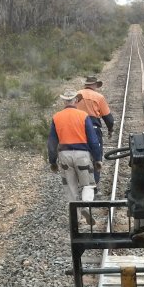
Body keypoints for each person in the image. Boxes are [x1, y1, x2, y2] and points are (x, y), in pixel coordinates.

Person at [47, 90, 102, 223]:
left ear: (64, 101)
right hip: (82, 155)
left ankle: (75, 218)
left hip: (64, 156)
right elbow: (93, 140)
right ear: (75, 100)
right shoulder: (83, 116)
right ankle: (86, 207)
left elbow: (52, 142)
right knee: (88, 184)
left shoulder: (56, 117)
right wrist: (97, 158)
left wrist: (52, 161)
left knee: (70, 187)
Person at [75, 75, 114, 186]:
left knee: (79, 154)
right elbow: (108, 118)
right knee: (96, 155)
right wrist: (110, 129)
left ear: (85, 84)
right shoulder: (99, 97)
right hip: (94, 128)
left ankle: (81, 181)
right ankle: (94, 183)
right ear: (95, 85)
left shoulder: (76, 95)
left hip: (78, 128)